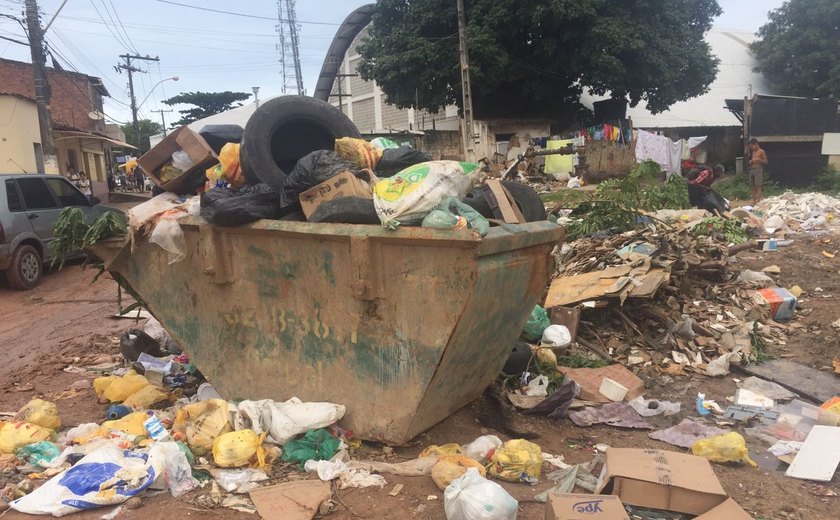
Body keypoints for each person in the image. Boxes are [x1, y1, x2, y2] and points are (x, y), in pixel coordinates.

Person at [748, 138, 768, 205]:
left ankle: (758, 202)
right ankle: (754, 201)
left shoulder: (762, 151)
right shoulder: (753, 152)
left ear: (756, 144)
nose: (751, 148)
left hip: (758, 169)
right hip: (752, 169)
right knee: (752, 186)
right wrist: (751, 161)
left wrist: (759, 160)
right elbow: (752, 160)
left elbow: (766, 161)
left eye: (752, 146)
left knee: (758, 186)